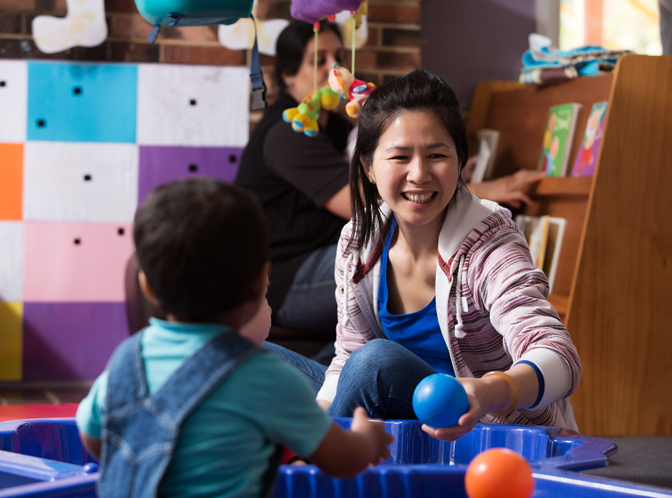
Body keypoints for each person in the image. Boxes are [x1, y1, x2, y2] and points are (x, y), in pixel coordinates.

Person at [266, 68, 582, 442]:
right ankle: (313, 455)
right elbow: (349, 354)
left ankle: (315, 471)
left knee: (376, 363)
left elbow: (560, 357)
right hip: (401, 414)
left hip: (481, 429)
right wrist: (320, 417)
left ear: (460, 161)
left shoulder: (490, 242)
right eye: (399, 156)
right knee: (248, 354)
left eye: (436, 155)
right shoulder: (358, 239)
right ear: (368, 167)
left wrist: (491, 391)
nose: (419, 174)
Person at [75, 178, 392, 497]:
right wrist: (367, 440)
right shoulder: (267, 378)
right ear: (258, 285)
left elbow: (93, 436)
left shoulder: (126, 360)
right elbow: (341, 461)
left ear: (147, 287)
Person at [235, 20, 351, 340]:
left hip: (320, 258)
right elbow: (367, 207)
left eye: (338, 58)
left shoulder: (339, 128)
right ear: (288, 74)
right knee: (394, 260)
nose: (335, 69)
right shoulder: (290, 130)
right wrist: (477, 192)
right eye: (319, 60)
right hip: (284, 281)